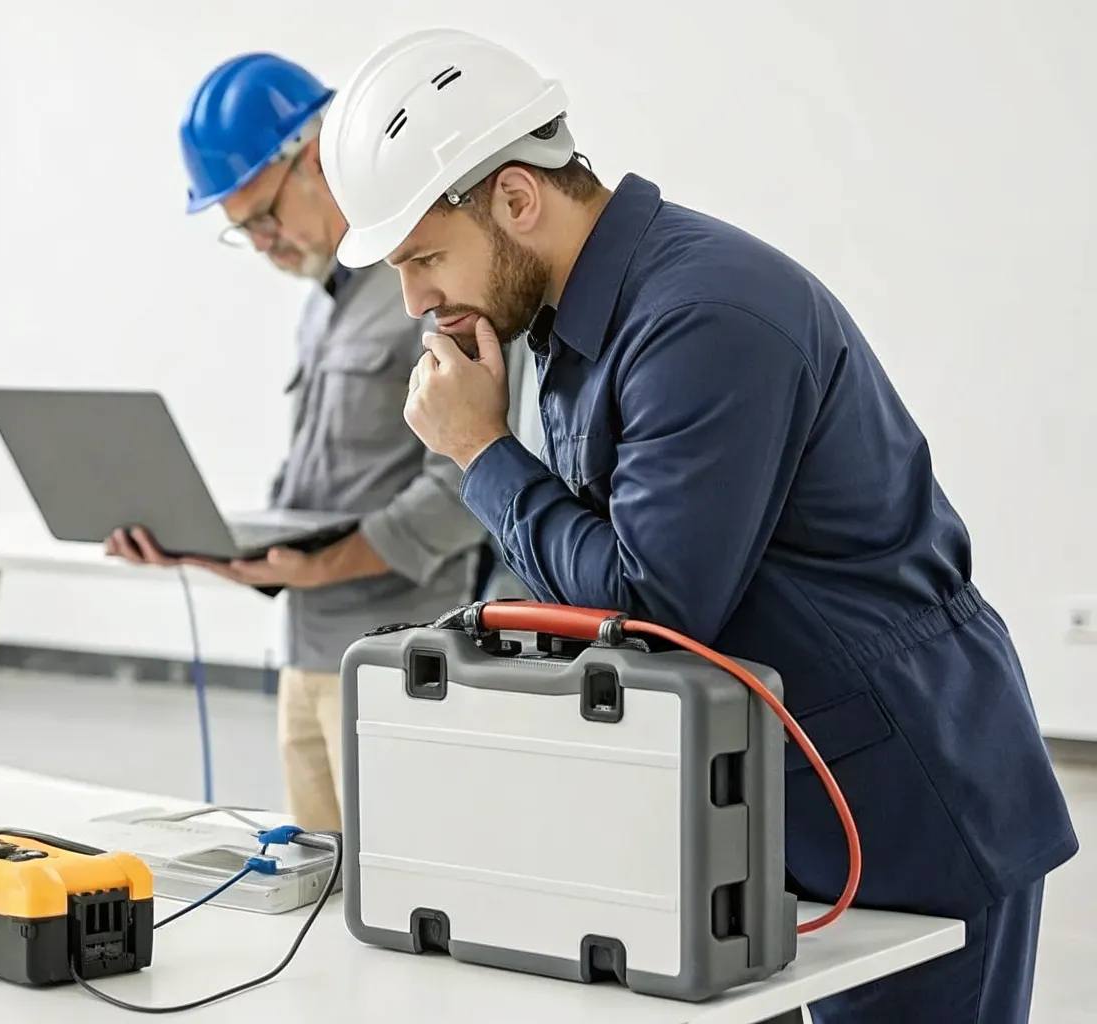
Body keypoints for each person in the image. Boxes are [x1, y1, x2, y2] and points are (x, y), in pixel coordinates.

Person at [316, 27, 1076, 1024]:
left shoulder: (701, 317)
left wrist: (480, 453)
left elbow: (651, 603)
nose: (414, 300)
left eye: (422, 257)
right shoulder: (589, 321)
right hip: (781, 802)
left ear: (512, 196)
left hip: (911, 808)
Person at [103, 52, 501, 832]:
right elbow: (314, 496)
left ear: (317, 158)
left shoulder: (425, 289)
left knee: (401, 901)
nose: (260, 243)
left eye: (262, 216)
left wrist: (322, 564)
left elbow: (465, 490)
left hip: (403, 660)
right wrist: (205, 549)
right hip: (307, 657)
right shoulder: (325, 304)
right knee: (319, 901)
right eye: (240, 231)